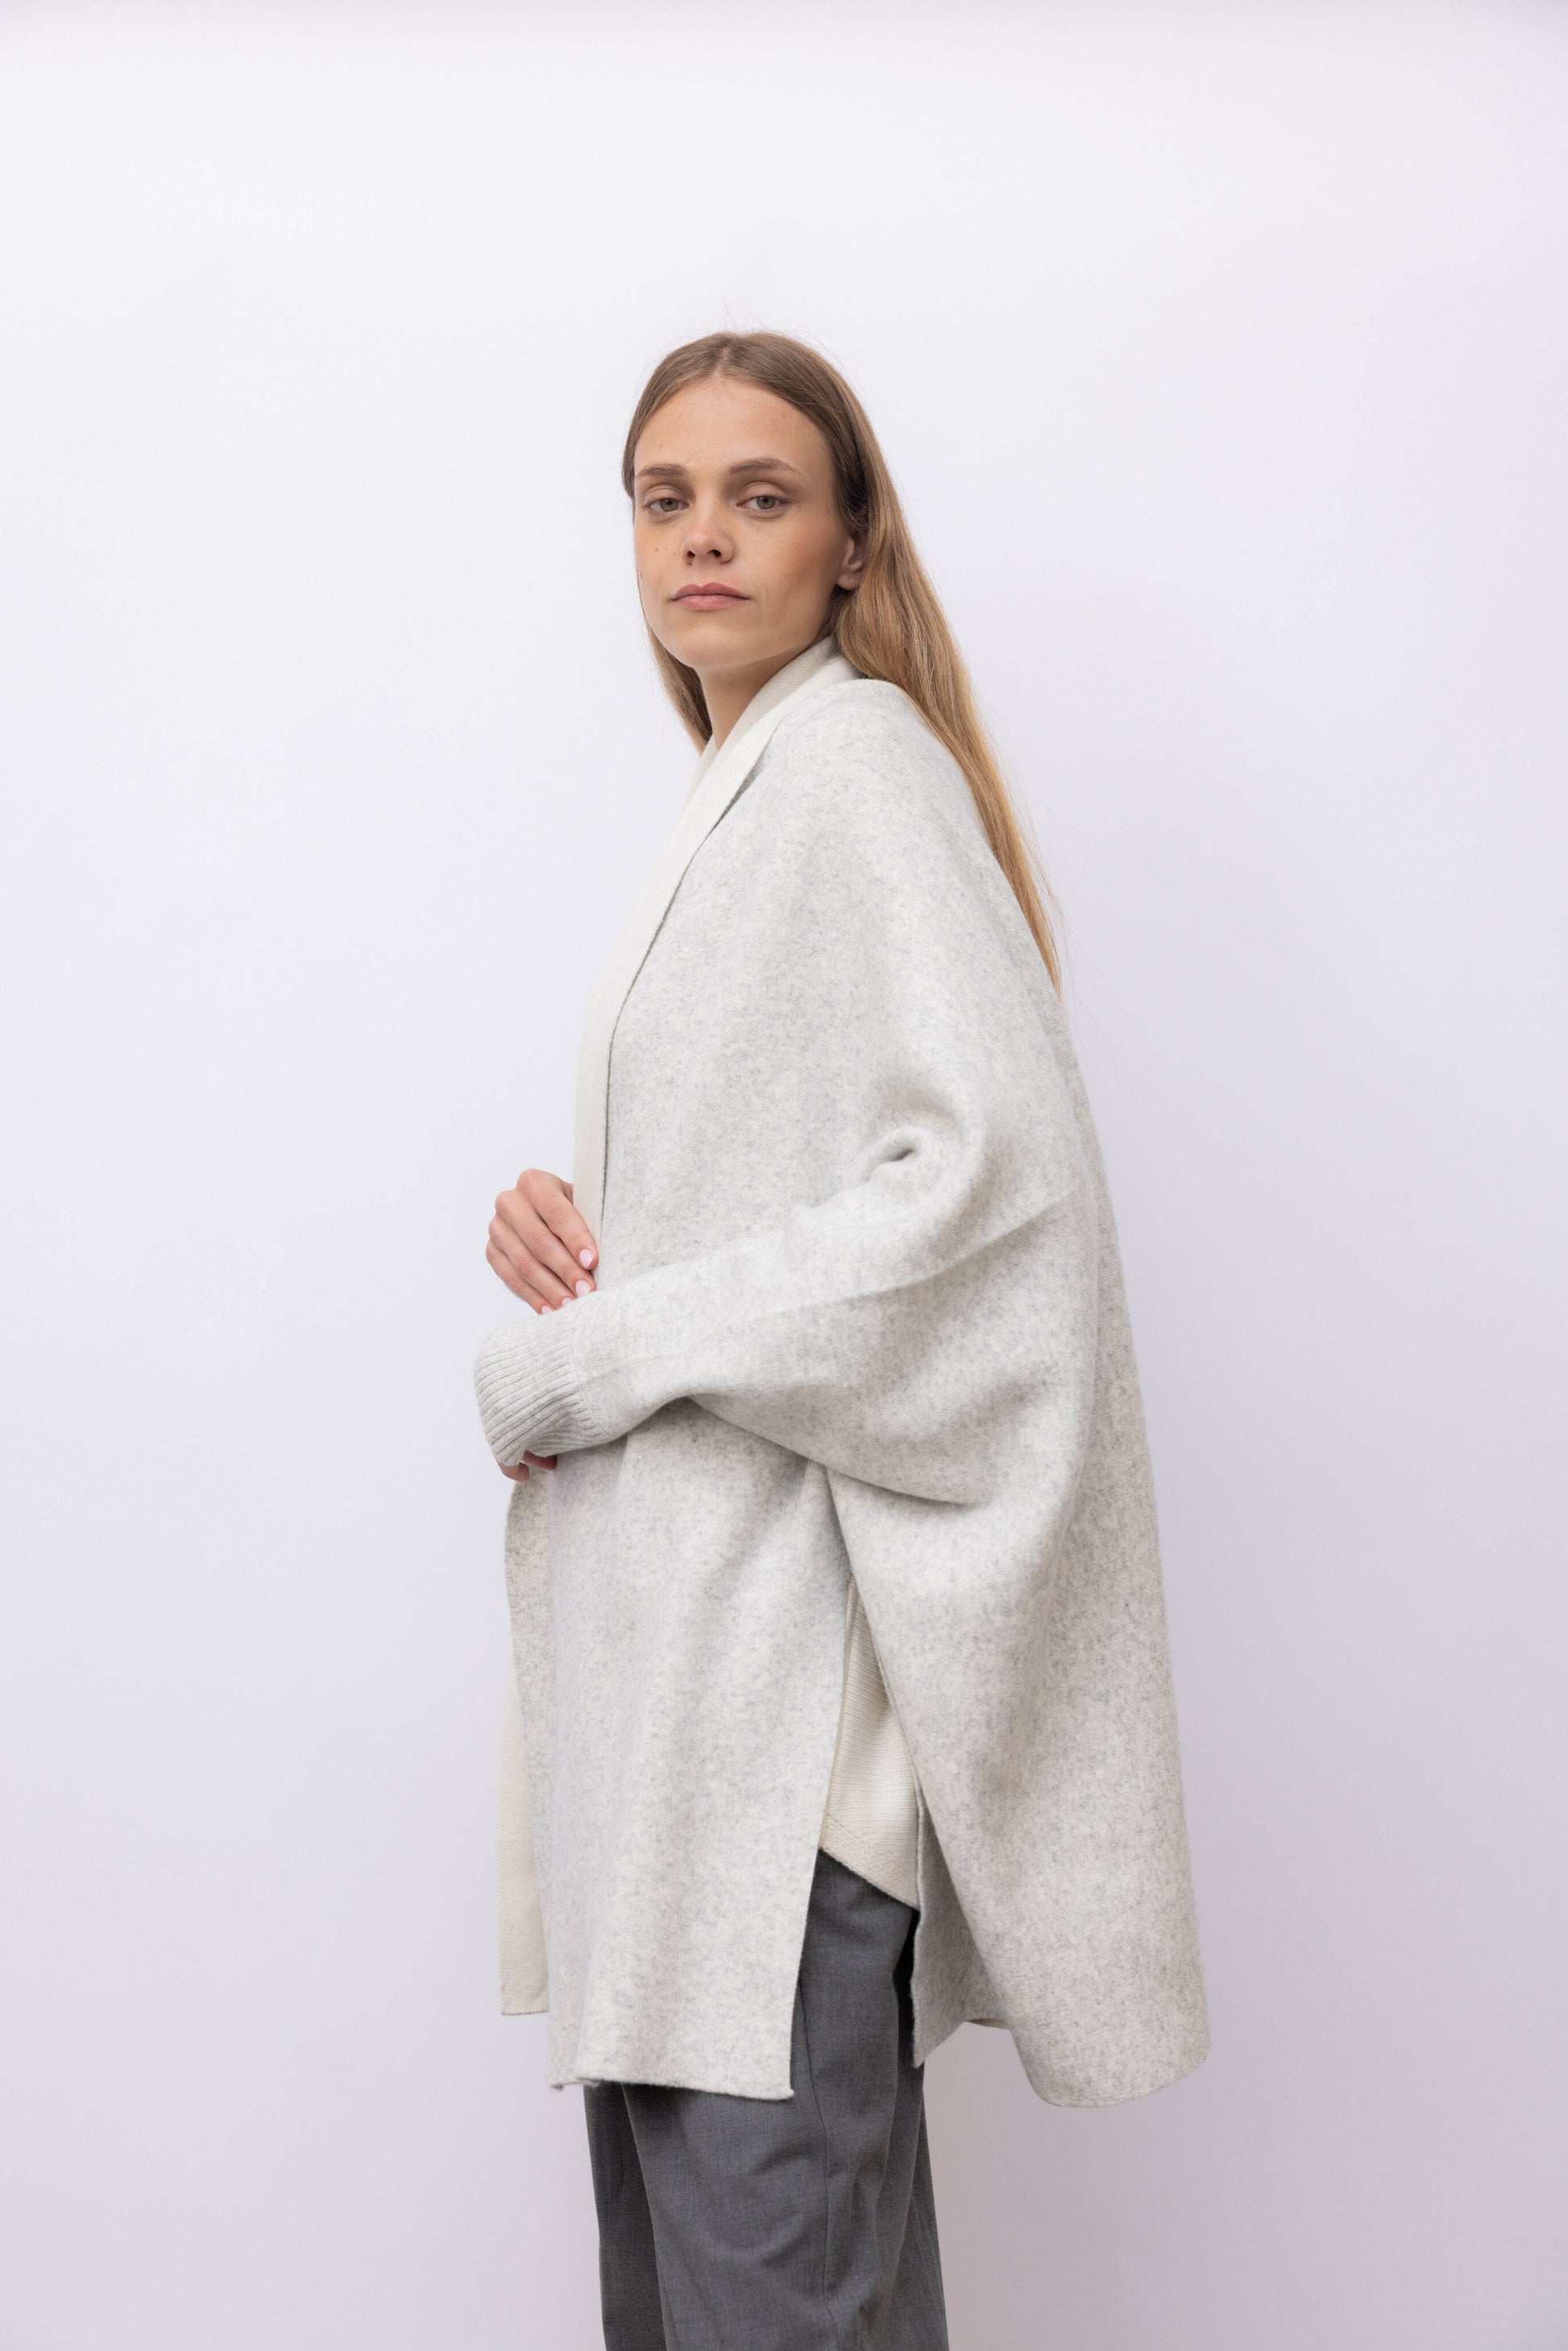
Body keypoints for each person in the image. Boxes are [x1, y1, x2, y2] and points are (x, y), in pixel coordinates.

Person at [473, 331, 1209, 2351]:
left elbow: (984, 1197)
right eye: (665, 499)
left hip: (767, 1758)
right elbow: (802, 1193)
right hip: (683, 1750)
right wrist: (589, 1243)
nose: (702, 537)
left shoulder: (856, 768)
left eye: (760, 496)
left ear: (851, 541)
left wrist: (600, 1357)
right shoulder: (749, 795)